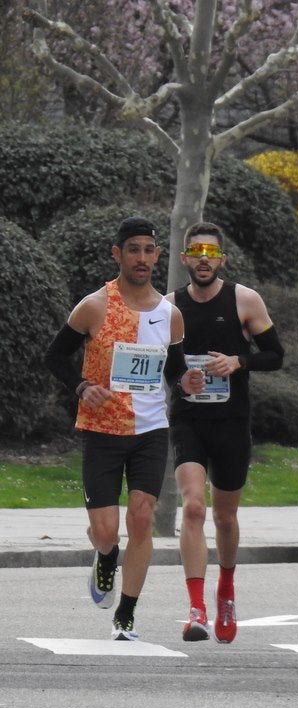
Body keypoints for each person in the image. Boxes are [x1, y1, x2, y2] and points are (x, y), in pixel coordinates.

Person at [44, 216, 205, 640]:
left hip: (151, 431)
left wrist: (186, 381)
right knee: (104, 529)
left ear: (156, 255)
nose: (141, 258)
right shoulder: (95, 305)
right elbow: (54, 357)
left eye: (148, 250)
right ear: (118, 255)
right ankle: (105, 556)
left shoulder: (171, 315)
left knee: (141, 517)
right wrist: (81, 386)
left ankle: (126, 615)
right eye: (132, 249)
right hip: (102, 430)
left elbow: (173, 371)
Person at [166, 222, 284, 643]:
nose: (203, 258)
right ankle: (196, 607)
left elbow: (275, 355)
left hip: (232, 422)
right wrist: (182, 382)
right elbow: (166, 365)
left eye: (210, 252)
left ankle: (226, 589)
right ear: (184, 259)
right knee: (194, 508)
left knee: (225, 516)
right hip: (189, 420)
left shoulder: (244, 299)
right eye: (195, 251)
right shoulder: (170, 306)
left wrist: (239, 362)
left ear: (221, 259)